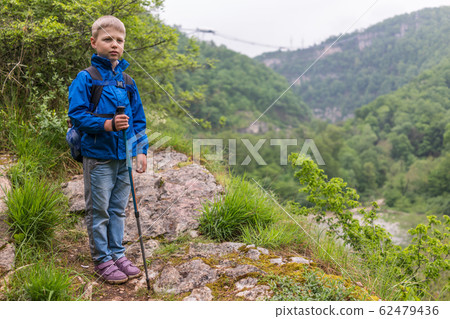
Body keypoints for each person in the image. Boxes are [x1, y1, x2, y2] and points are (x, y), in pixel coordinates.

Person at [68, 15, 148, 284]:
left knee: (117, 209)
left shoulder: (127, 80)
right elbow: (77, 115)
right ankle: (102, 259)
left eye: (119, 40)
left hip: (123, 157)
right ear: (94, 42)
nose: (114, 44)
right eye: (107, 39)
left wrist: (141, 151)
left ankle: (118, 253)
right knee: (99, 210)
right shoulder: (85, 78)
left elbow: (138, 120)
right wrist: (108, 124)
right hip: (98, 157)